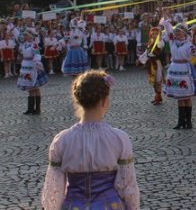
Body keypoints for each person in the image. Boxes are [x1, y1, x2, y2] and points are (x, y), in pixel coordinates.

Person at [41, 70, 140, 209]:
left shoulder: (62, 140)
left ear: (78, 100)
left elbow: (54, 188)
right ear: (104, 101)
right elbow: (127, 186)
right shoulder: (119, 139)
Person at [161, 12, 196, 129]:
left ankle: (188, 121)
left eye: (180, 32)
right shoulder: (172, 41)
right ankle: (180, 121)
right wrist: (166, 19)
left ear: (184, 34)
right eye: (176, 32)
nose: (177, 34)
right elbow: (168, 29)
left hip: (185, 70)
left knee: (187, 96)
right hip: (174, 70)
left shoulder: (188, 45)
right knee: (179, 97)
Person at [17, 29, 48, 115]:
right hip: (25, 67)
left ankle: (37, 109)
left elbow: (37, 54)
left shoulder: (34, 45)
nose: (24, 36)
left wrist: (37, 62)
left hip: (33, 66)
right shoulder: (23, 44)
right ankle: (30, 108)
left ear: (30, 36)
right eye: (24, 35)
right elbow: (20, 51)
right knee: (29, 87)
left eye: (26, 35)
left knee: (35, 87)